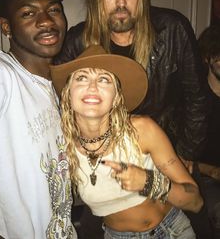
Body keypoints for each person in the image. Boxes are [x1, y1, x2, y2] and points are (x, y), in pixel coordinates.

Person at [53, 0, 210, 237]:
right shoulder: (77, 40)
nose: (121, 1)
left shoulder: (172, 28)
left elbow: (196, 96)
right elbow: (56, 97)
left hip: (168, 149)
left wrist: (186, 152)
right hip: (107, 162)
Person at [0, 0, 88, 238]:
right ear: (6, 26)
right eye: (29, 13)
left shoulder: (57, 88)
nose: (46, 21)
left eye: (54, 9)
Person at [50, 44, 203, 239]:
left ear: (116, 97)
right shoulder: (61, 143)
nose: (92, 86)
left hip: (171, 231)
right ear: (68, 94)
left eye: (104, 79)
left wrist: (148, 182)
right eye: (81, 78)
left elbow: (195, 201)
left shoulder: (141, 130)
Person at [197, 24, 220, 239]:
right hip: (203, 178)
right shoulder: (195, 101)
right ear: (206, 57)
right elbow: (176, 156)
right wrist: (212, 171)